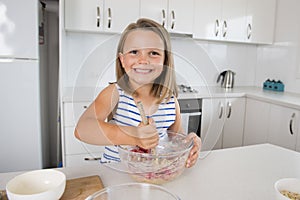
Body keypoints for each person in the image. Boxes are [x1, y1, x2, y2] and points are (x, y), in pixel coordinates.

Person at [74, 18, 201, 168]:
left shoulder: (170, 101)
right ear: (122, 60)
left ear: (165, 61)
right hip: (117, 173)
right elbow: (82, 129)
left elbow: (177, 141)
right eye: (134, 52)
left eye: (153, 53)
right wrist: (134, 135)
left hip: (155, 174)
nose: (143, 60)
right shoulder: (115, 93)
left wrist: (190, 144)